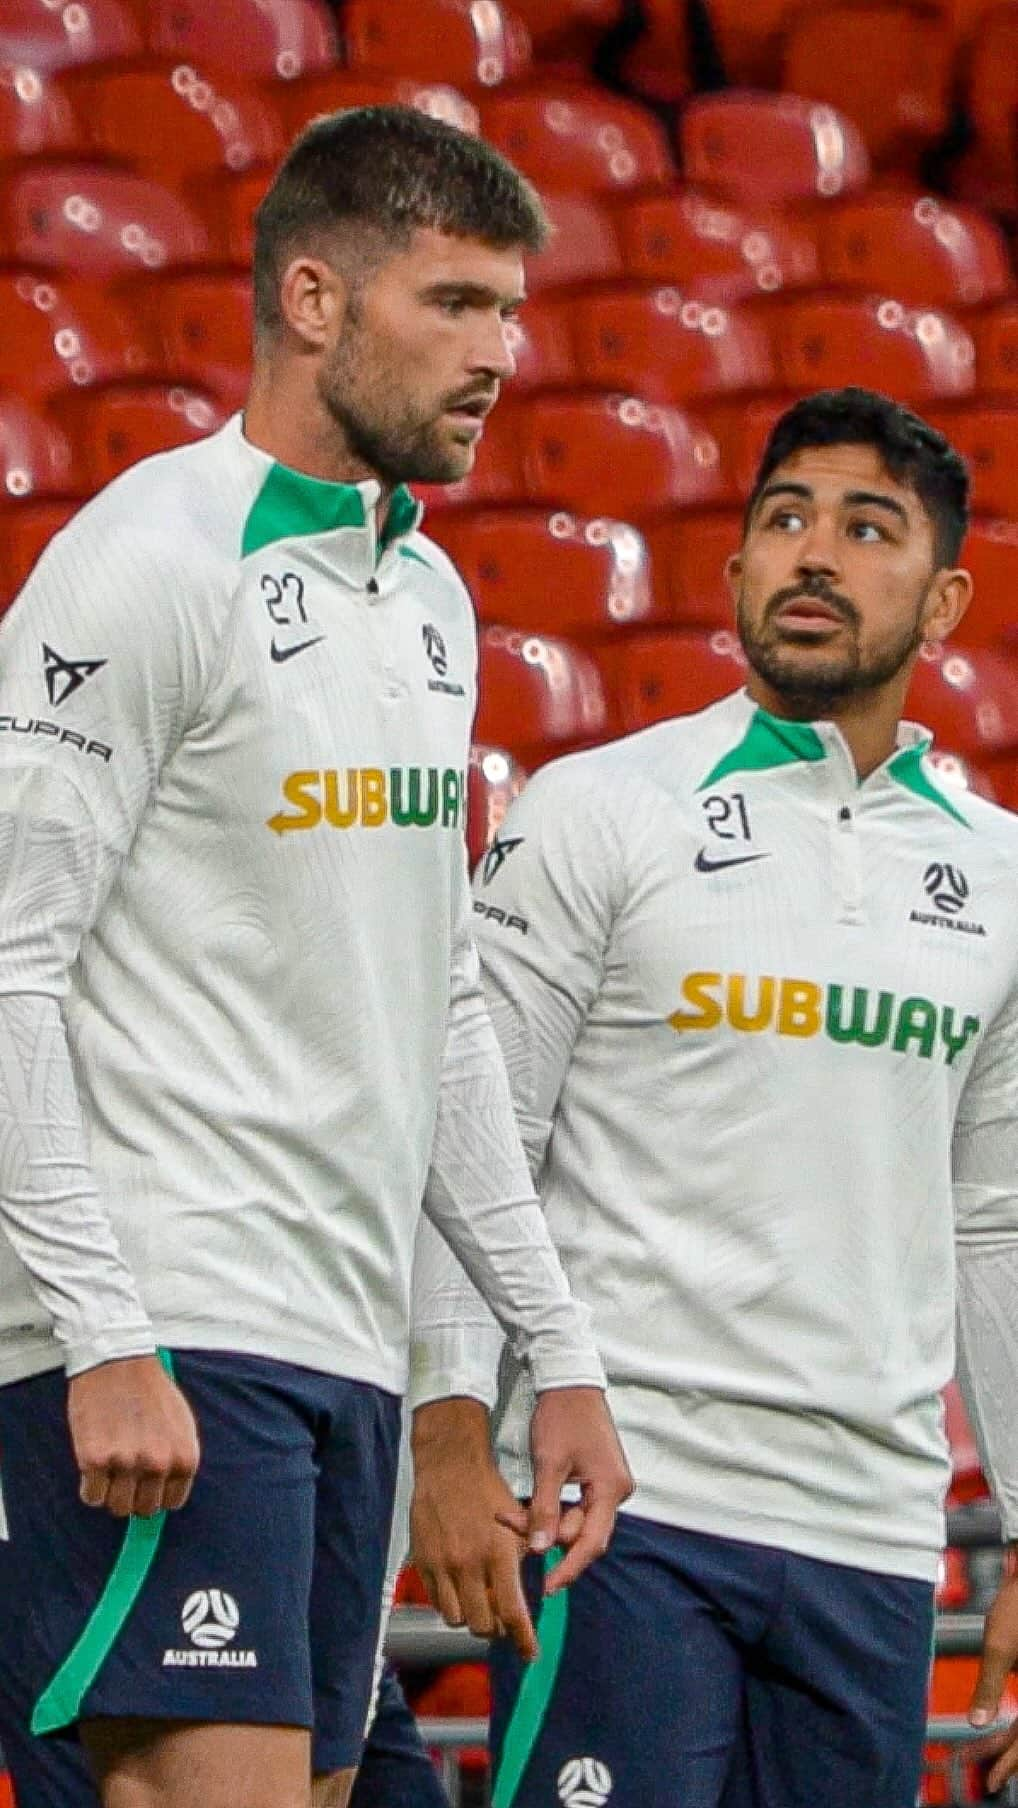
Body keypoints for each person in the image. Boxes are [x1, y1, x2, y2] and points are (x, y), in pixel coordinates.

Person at [0, 105, 632, 1808]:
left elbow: (438, 1009)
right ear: (310, 299)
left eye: (509, 310)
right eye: (455, 305)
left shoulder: (427, 602)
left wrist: (550, 1349)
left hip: (339, 1344)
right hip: (172, 1336)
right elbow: (5, 966)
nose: (501, 355)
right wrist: (102, 1324)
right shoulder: (146, 560)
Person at [409, 387, 1018, 1808]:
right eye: (783, 520)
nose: (812, 554)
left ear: (941, 606)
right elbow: (474, 1139)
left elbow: (994, 1227)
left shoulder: (999, 877)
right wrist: (447, 1423)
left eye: (866, 530)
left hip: (870, 1533)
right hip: (619, 1510)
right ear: (735, 571)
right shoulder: (599, 808)